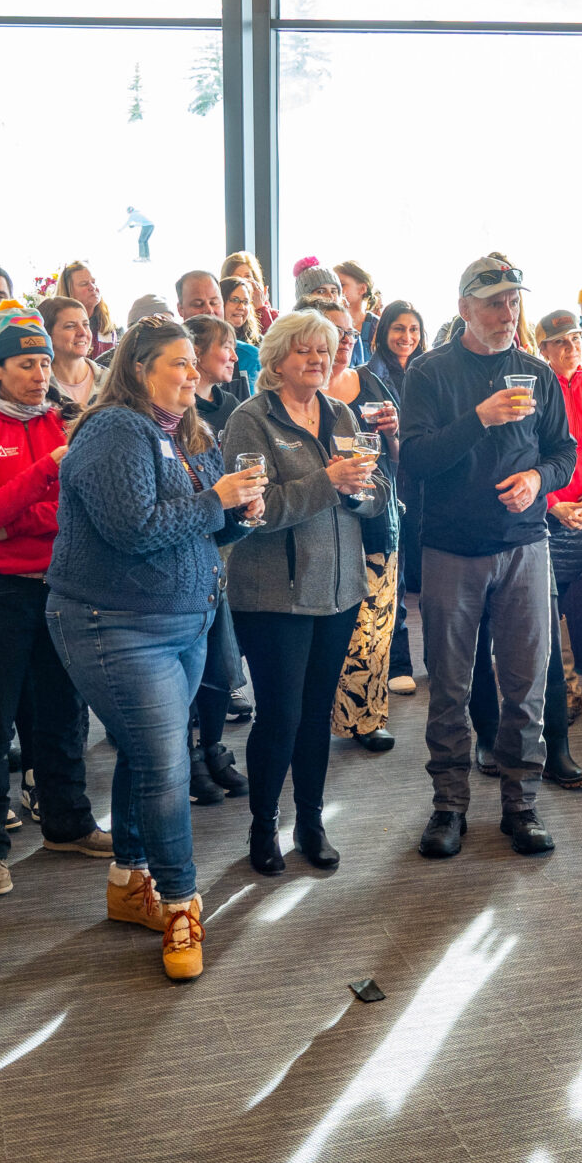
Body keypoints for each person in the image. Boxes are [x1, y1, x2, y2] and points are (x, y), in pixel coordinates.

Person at [52, 320, 267, 980]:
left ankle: (127, 881)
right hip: (113, 623)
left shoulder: (189, 431)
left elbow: (203, 522)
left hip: (182, 624)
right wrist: (216, 499)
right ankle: (180, 902)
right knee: (166, 762)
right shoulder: (115, 428)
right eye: (179, 363)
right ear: (141, 367)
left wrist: (238, 512)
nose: (192, 374)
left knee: (147, 753)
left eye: (191, 365)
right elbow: (133, 529)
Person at [398, 255, 577, 857]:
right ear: (464, 309)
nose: (508, 313)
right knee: (449, 686)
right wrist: (479, 418)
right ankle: (449, 806)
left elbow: (563, 453)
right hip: (453, 549)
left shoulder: (536, 372)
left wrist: (538, 481)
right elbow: (416, 460)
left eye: (513, 301)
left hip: (526, 545)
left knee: (524, 687)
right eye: (495, 302)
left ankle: (522, 805)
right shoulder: (430, 373)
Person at [220, 310, 390, 875]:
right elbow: (256, 510)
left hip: (340, 590)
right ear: (276, 359)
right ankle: (263, 825)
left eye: (325, 349)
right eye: (304, 352)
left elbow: (373, 491)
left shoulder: (341, 413)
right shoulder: (252, 419)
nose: (318, 359)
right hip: (275, 596)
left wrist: (364, 490)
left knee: (317, 715)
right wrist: (330, 482)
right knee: (280, 716)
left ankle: (311, 822)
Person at [0, 318, 108, 894]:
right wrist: (45, 475)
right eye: (26, 365)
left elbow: (77, 513)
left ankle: (68, 822)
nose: (41, 376)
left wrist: (21, 518)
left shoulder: (65, 424)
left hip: (61, 583)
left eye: (44, 364)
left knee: (64, 712)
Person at [528, 308, 582, 789]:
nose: (572, 348)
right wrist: (555, 503)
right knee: (542, 603)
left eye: (577, 339)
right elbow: (525, 456)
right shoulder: (536, 388)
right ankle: (555, 694)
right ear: (542, 349)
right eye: (560, 342)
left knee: (559, 599)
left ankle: (557, 689)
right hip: (541, 511)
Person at [323, 304, 405, 757]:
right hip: (321, 523)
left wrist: (394, 432)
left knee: (374, 624)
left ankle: (366, 717)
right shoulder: (296, 393)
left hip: (375, 517)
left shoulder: (371, 383)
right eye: (337, 331)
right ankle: (317, 713)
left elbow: (401, 452)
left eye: (352, 331)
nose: (347, 339)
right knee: (328, 627)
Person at [182, 316, 253, 805]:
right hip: (182, 554)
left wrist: (245, 513)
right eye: (223, 347)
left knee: (215, 660)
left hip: (215, 545)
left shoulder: (229, 406)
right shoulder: (164, 422)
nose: (232, 355)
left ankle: (212, 749)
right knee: (187, 665)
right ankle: (187, 758)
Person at [371, 300, 429, 697]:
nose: (406, 337)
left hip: (427, 482)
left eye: (413, 329)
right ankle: (399, 661)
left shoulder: (429, 371)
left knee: (435, 575)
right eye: (398, 328)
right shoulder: (370, 374)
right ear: (383, 332)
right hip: (390, 482)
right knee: (397, 575)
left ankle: (441, 661)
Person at [40, 295, 99, 408]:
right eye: (70, 326)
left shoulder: (111, 381)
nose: (83, 332)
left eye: (86, 325)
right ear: (47, 334)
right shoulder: (37, 385)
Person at [220, 275, 265, 383]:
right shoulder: (211, 343)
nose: (241, 307)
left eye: (245, 302)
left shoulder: (260, 343)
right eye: (235, 300)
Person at [334, 259, 380, 364]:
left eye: (342, 285)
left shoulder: (378, 326)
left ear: (362, 289)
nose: (336, 291)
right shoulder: (328, 323)